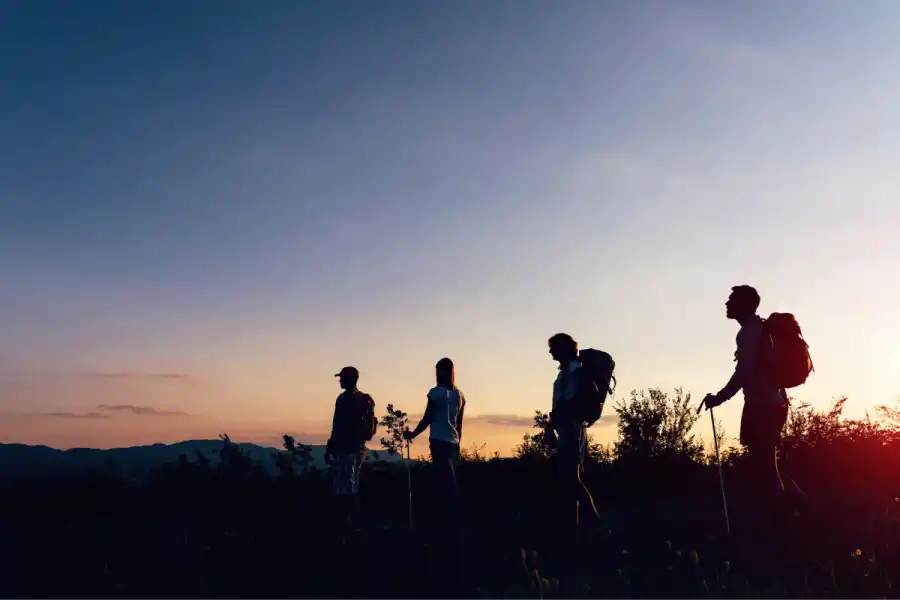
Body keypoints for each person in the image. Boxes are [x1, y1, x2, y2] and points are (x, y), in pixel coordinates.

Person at [699, 286, 790, 521]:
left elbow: (744, 372)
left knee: (765, 463)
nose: (727, 304)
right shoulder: (758, 329)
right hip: (773, 402)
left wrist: (720, 397)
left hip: (763, 405)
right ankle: (789, 512)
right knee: (766, 461)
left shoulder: (749, 332)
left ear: (746, 304)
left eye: (732, 301)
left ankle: (782, 518)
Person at [545, 333, 601, 530]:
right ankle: (575, 524)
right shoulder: (567, 372)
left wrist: (557, 419)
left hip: (572, 429)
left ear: (564, 348)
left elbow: (567, 400)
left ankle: (595, 521)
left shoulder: (574, 371)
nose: (550, 351)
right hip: (568, 428)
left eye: (553, 347)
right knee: (569, 478)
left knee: (571, 478)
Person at [404, 357, 466, 523]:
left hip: (439, 440)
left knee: (443, 481)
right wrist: (458, 443)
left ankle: (446, 518)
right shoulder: (459, 395)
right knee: (448, 479)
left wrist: (413, 434)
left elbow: (428, 417)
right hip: (453, 442)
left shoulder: (436, 393)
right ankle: (450, 517)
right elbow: (459, 425)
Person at [324, 366, 372, 532]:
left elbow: (337, 426)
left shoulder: (344, 399)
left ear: (349, 379)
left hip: (345, 448)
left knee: (344, 489)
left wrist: (329, 447)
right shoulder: (363, 399)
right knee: (352, 486)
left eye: (342, 378)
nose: (340, 380)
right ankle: (352, 524)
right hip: (360, 449)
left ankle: (346, 525)